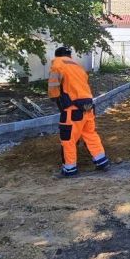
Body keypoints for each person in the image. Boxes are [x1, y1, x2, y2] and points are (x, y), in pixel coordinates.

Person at [47, 47, 110, 177]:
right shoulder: (78, 66)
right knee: (90, 135)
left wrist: (55, 98)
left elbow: (53, 88)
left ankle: (69, 169)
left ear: (57, 55)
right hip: (88, 107)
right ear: (69, 55)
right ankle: (102, 162)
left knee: (68, 140)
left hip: (72, 110)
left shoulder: (57, 64)